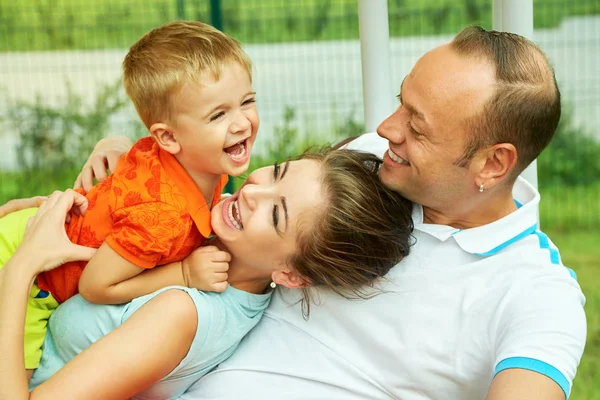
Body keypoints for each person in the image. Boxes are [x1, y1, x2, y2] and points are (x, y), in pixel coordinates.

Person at [41, 26, 586, 399]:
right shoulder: (376, 162)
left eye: (417, 127)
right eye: (401, 102)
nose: (388, 128)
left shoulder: (536, 294)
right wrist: (142, 159)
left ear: (493, 164)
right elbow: (254, 194)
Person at [0, 147, 415, 399]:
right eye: (276, 172)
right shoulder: (216, 240)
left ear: (292, 275)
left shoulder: (183, 313)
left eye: (275, 214)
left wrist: (21, 268)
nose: (251, 192)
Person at [0, 20, 259, 376]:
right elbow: (95, 285)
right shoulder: (162, 216)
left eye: (247, 101)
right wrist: (183, 273)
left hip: (28, 230)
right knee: (17, 385)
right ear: (168, 138)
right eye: (218, 115)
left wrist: (113, 143)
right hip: (28, 271)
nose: (242, 122)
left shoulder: (199, 163)